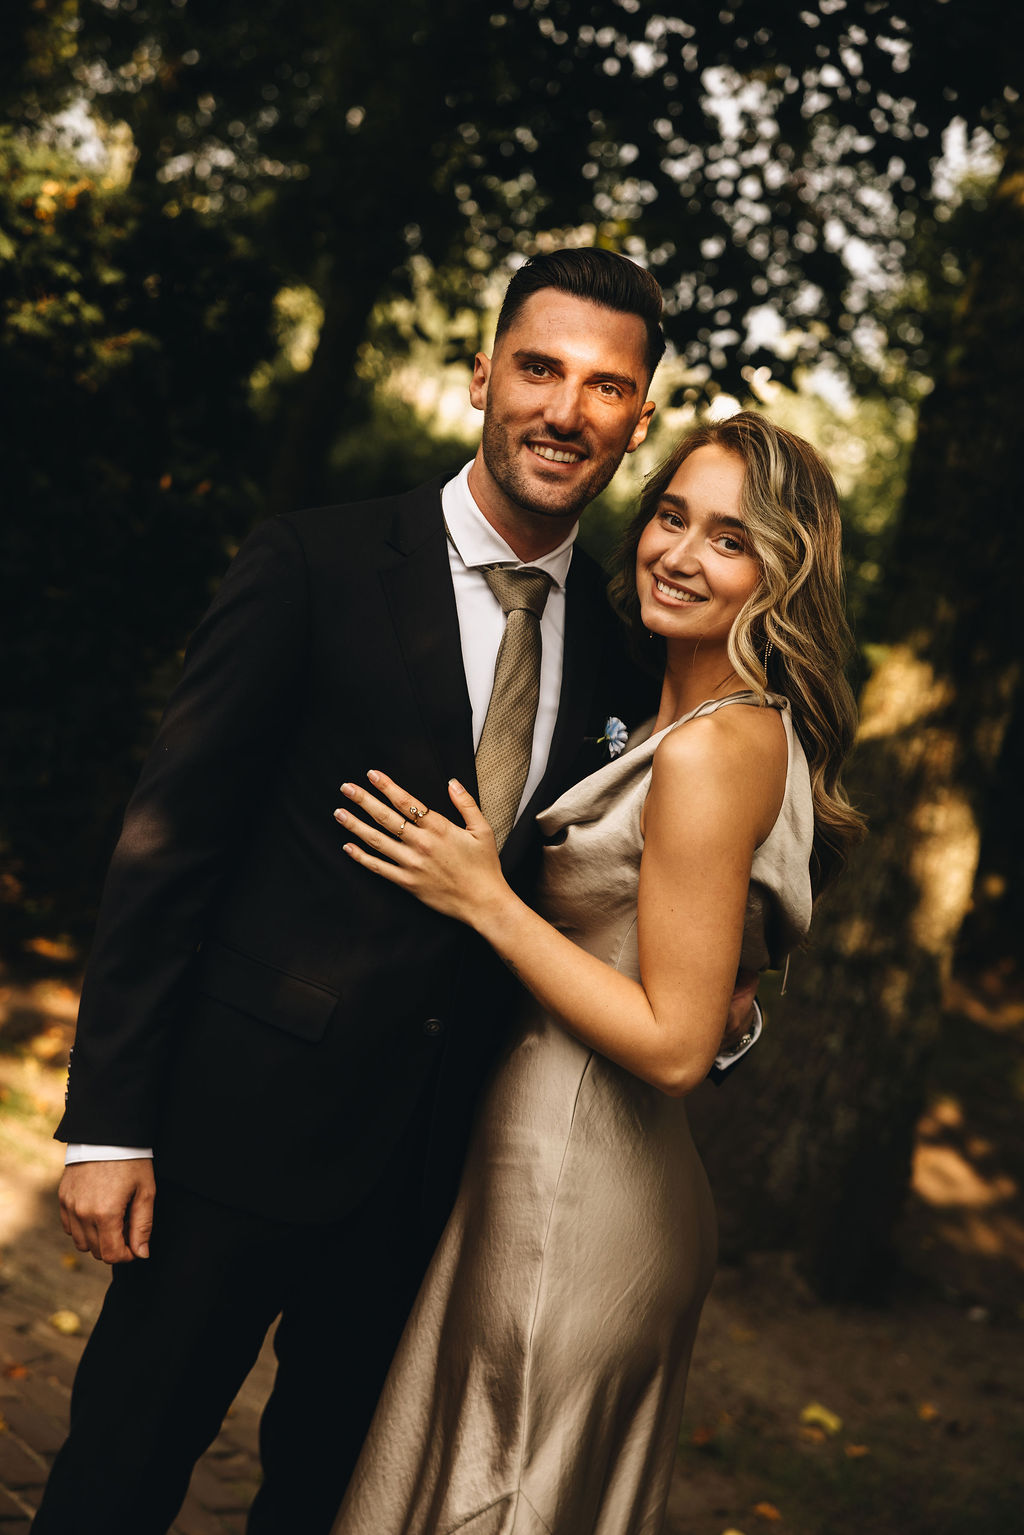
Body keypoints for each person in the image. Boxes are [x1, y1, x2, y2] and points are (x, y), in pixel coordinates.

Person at [33, 250, 759, 1535]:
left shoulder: (621, 646)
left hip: (440, 1179)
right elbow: (172, 844)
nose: (564, 410)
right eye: (538, 368)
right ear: (483, 376)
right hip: (231, 1133)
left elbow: (649, 883)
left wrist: (731, 999)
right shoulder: (311, 563)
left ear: (637, 419)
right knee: (117, 1474)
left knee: (329, 1498)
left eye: (604, 387)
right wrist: (107, 1125)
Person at [329, 411, 865, 1534]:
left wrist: (486, 898)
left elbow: (673, 1045)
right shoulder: (685, 712)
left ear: (783, 572)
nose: (680, 553)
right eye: (671, 515)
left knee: (497, 1494)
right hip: (559, 1165)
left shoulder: (715, 746)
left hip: (577, 1190)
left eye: (730, 538)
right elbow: (709, 989)